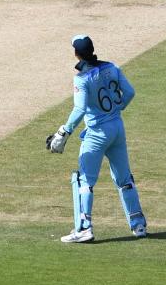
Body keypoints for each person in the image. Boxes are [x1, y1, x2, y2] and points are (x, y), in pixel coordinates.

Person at [46, 35, 147, 243]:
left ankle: (84, 228)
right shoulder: (111, 67)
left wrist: (64, 131)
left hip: (97, 133)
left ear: (76, 53)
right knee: (124, 179)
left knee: (84, 180)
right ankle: (138, 226)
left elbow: (80, 108)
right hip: (117, 128)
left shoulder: (81, 79)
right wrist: (116, 110)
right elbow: (129, 92)